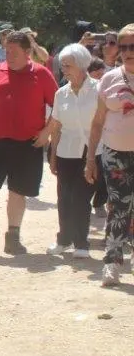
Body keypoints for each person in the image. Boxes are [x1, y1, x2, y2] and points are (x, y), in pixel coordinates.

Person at [0, 31, 57, 254]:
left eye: (14, 52)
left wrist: (47, 131)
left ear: (28, 52)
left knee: (18, 191)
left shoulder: (42, 73)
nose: (8, 55)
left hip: (27, 142)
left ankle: (13, 236)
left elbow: (60, 106)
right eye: (6, 51)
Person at [85, 24, 134, 286]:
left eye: (132, 46)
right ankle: (112, 261)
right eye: (122, 46)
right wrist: (90, 158)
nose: (127, 52)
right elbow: (97, 121)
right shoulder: (109, 78)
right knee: (117, 207)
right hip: (115, 152)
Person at [44, 44, 99, 258]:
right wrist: (53, 155)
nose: (63, 69)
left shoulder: (98, 89)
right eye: (62, 65)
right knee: (64, 197)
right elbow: (56, 126)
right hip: (65, 151)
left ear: (82, 66)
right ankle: (63, 240)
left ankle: (82, 243)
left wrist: (93, 157)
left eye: (68, 65)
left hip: (91, 151)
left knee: (81, 197)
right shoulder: (61, 94)